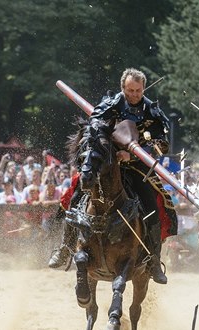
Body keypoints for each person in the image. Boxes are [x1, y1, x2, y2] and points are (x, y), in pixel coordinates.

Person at [48, 68, 177, 285]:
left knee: (153, 206)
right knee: (77, 194)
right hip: (106, 164)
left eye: (138, 90)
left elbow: (162, 145)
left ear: (143, 88)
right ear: (122, 88)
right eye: (130, 90)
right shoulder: (110, 104)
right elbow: (94, 127)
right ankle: (66, 247)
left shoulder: (152, 112)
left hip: (137, 168)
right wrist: (108, 148)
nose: (134, 94)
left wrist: (136, 152)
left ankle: (153, 260)